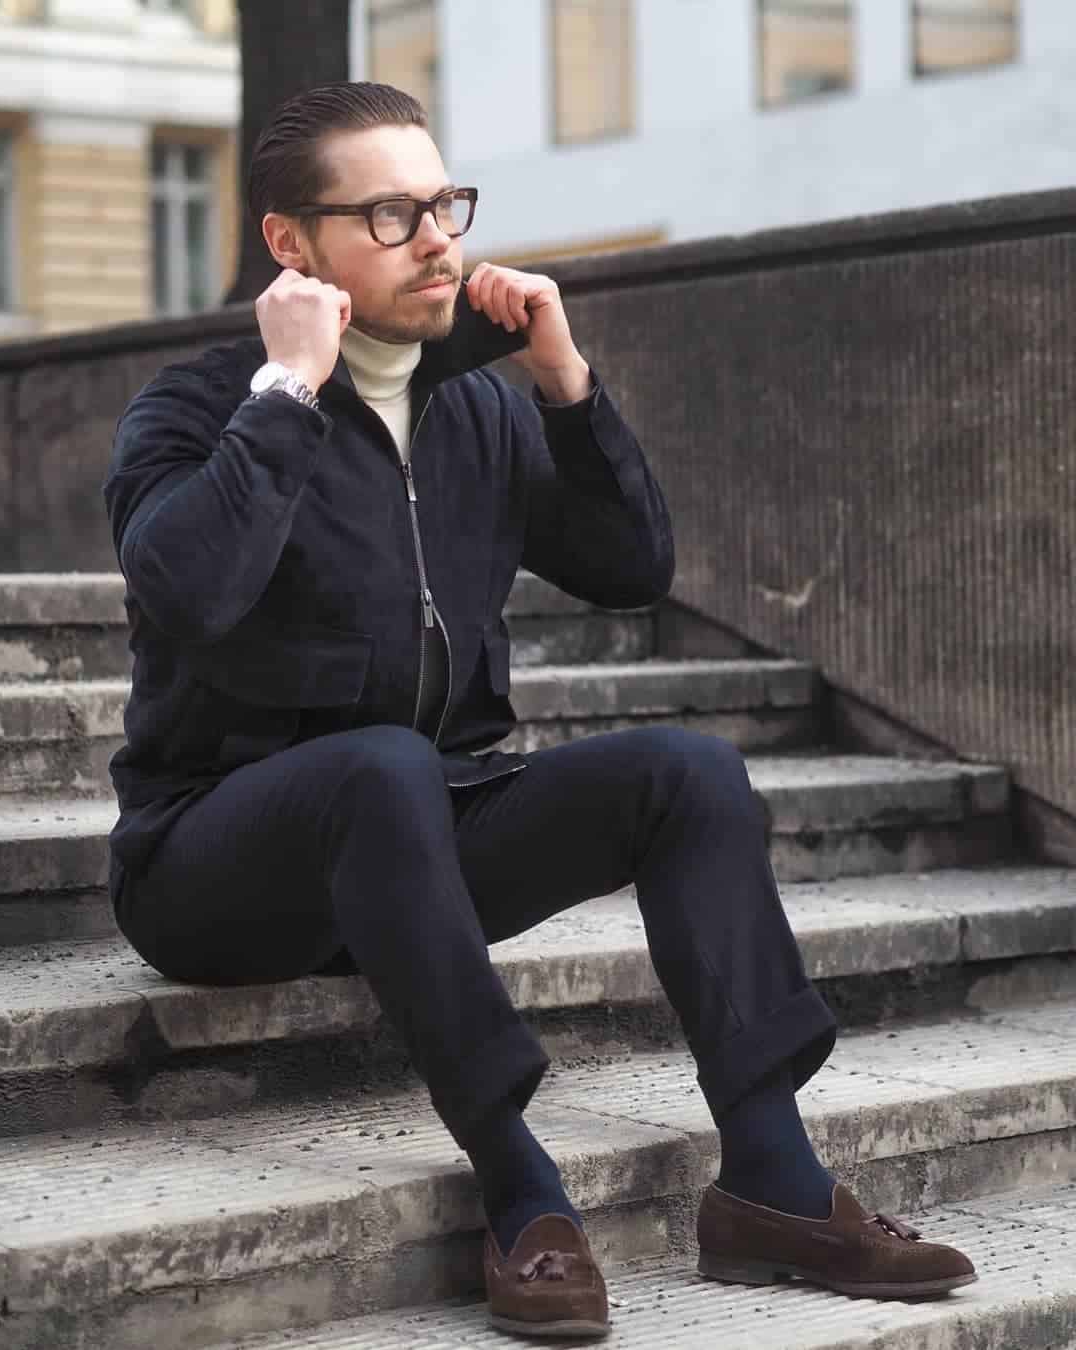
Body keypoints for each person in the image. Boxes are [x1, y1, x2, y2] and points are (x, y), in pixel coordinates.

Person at [103, 81, 976, 1339]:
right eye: (391, 215)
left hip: (425, 836)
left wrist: (567, 385)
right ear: (291, 244)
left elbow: (632, 570)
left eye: (443, 204)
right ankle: (523, 1189)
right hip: (218, 864)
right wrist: (286, 396)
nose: (438, 240)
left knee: (689, 773)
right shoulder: (199, 411)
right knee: (380, 767)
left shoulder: (477, 407)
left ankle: (774, 1179)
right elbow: (188, 589)